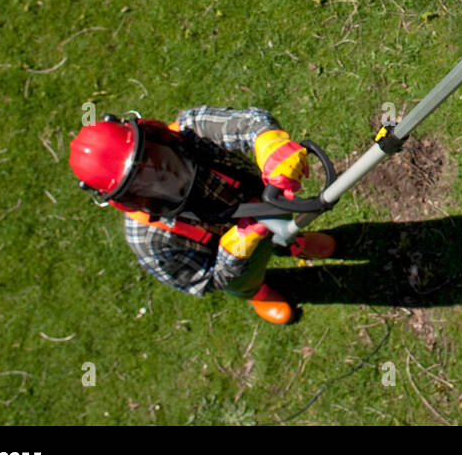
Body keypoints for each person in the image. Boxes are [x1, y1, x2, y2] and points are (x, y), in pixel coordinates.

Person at [69, 106, 334, 324]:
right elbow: (205, 281)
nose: (161, 175)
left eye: (152, 158)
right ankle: (259, 293)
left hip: (264, 199)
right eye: (141, 182)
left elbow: (247, 123)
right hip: (236, 259)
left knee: (283, 218)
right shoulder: (147, 239)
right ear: (126, 201)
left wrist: (268, 142)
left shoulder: (191, 129)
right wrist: (237, 248)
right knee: (242, 282)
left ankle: (294, 244)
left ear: (152, 134)